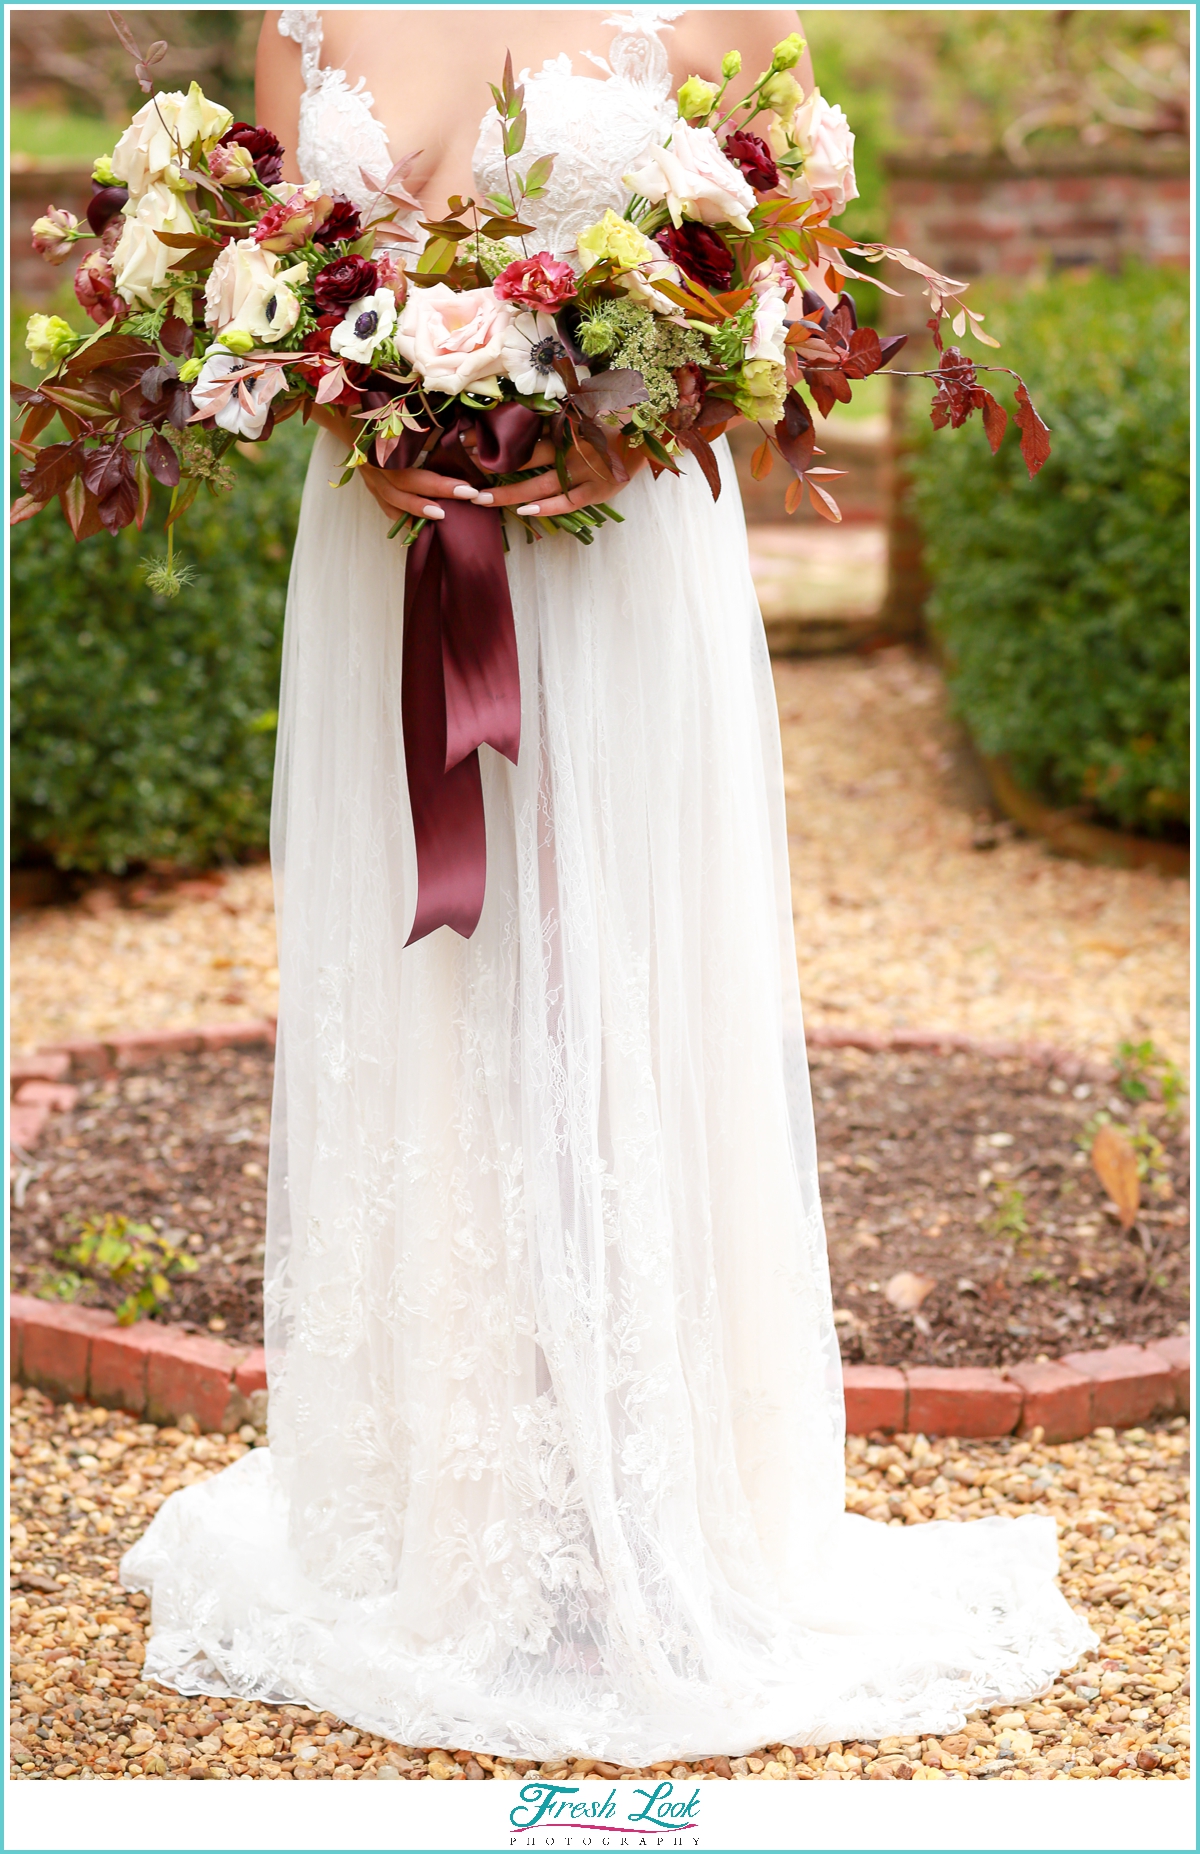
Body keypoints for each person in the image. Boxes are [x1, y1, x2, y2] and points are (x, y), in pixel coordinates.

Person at [121, 7, 1092, 1763]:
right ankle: (462, 1510)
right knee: (434, 985)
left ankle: (655, 1505)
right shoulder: (300, 18)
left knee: (620, 972)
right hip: (395, 553)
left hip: (621, 549)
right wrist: (355, 426)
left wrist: (647, 423)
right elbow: (261, 295)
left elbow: (797, 277)